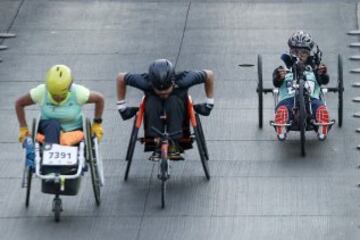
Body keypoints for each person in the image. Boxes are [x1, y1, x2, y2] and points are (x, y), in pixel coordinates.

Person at [116, 59, 214, 160]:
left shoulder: (184, 79)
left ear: (173, 83)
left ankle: (174, 143)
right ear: (152, 84)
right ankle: (156, 142)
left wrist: (209, 103)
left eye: (166, 91)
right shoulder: (145, 82)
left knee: (172, 100)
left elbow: (209, 75)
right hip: (153, 108)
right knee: (153, 100)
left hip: (178, 107)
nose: (164, 95)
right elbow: (120, 78)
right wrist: (121, 106)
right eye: (160, 92)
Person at [15, 64, 104, 146]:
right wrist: (23, 128)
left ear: (69, 86)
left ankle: (55, 145)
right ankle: (52, 151)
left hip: (74, 132)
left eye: (61, 95)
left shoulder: (78, 92)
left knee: (70, 139)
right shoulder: (42, 91)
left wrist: (97, 123)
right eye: (53, 95)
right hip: (48, 130)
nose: (57, 98)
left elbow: (99, 99)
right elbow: (19, 103)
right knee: (53, 123)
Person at [272, 31, 330, 141]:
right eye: (295, 52)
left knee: (319, 107)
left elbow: (324, 80)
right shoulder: (284, 70)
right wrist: (278, 76)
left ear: (309, 54)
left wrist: (322, 73)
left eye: (303, 52)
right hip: (288, 98)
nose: (299, 55)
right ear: (290, 52)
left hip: (312, 99)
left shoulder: (314, 70)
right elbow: (276, 82)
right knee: (284, 108)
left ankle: (322, 125)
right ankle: (282, 125)